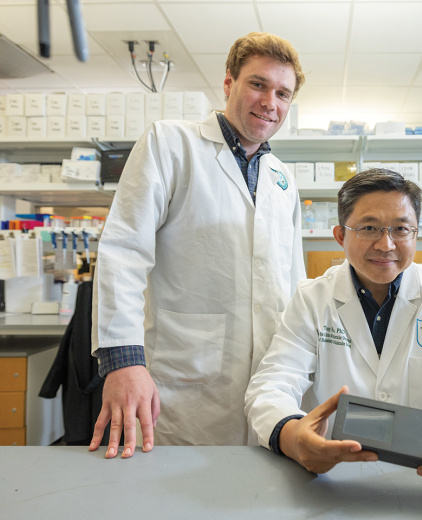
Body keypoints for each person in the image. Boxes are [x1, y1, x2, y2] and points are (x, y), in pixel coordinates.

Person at [245, 169, 422, 499]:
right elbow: (272, 383)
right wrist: (292, 436)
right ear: (340, 235)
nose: (386, 244)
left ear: (416, 234)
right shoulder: (311, 298)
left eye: (401, 229)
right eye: (368, 228)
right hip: (330, 475)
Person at [90, 32, 306, 459]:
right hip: (184, 383)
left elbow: (293, 279)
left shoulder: (282, 177)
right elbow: (123, 251)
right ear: (229, 82)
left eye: (283, 93)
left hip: (272, 383)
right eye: (258, 84)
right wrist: (123, 361)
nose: (270, 102)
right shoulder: (170, 144)